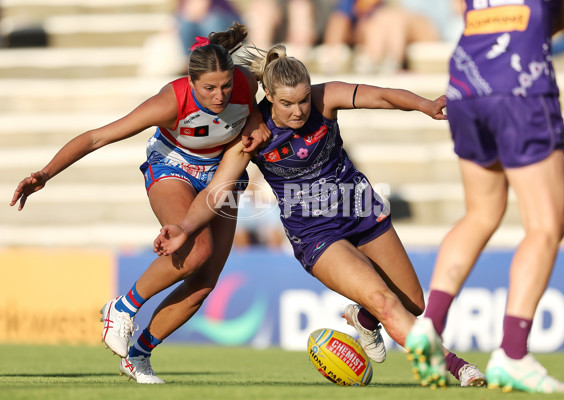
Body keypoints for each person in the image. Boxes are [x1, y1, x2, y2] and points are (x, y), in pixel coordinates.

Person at [153, 44, 487, 388]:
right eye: (286, 103)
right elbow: (216, 189)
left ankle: (364, 318)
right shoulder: (254, 135)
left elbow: (383, 96)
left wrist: (425, 105)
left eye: (303, 101)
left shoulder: (325, 98)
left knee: (412, 303)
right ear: (268, 95)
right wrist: (183, 227)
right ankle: (460, 368)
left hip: (360, 210)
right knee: (386, 301)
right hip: (316, 233)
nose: (298, 111)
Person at [10, 23, 269, 384]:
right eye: (209, 88)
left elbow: (252, 111)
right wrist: (45, 173)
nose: (220, 95)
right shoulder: (171, 100)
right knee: (197, 252)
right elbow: (98, 137)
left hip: (221, 176)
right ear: (191, 82)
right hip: (173, 167)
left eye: (225, 85)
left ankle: (139, 356)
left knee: (205, 283)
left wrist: (256, 121)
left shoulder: (244, 84)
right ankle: (123, 307)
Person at [405, 0, 564, 394]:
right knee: (547, 224)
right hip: (519, 81)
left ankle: (430, 325)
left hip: (466, 77)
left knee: (481, 213)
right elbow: (559, 17)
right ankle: (513, 354)